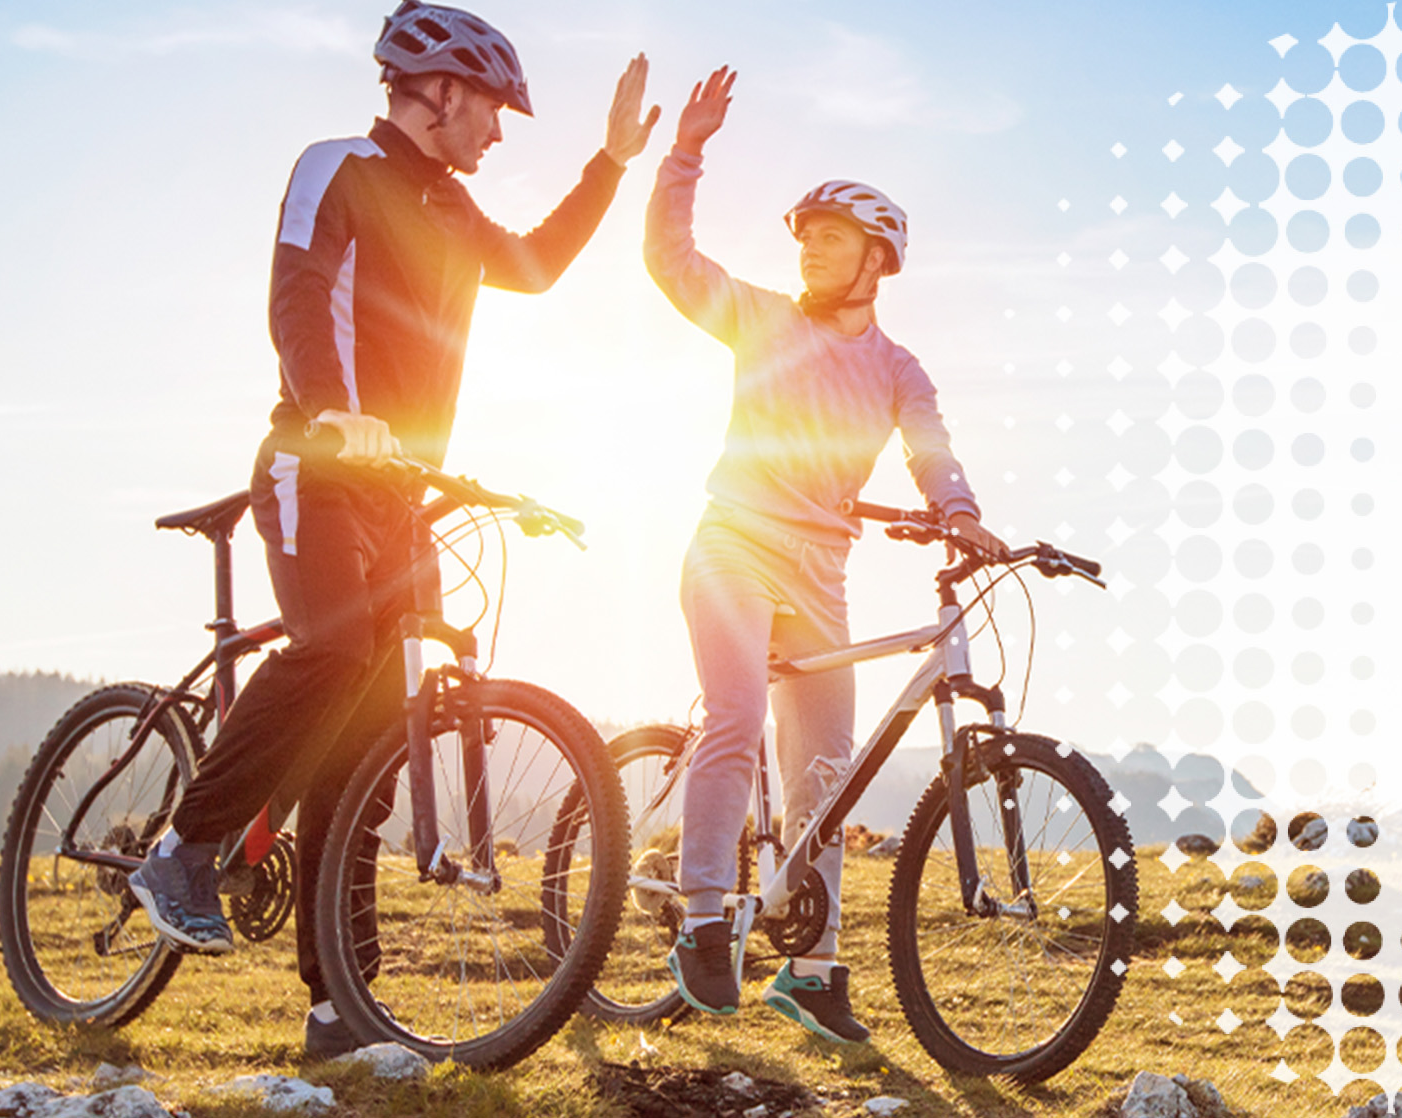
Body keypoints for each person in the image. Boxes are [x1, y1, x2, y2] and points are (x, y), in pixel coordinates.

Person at [126, 1, 660, 1061]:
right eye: (495, 111)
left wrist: (610, 160)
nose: (500, 135)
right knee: (331, 649)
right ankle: (183, 850)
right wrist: (329, 405)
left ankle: (339, 1007)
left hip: (399, 492)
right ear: (444, 92)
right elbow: (298, 291)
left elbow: (541, 266)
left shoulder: (455, 213)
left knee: (368, 748)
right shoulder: (338, 168)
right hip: (313, 466)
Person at [642, 65, 1003, 1039]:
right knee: (737, 712)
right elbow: (672, 261)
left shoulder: (897, 367)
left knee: (826, 773)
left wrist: (959, 508)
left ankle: (810, 965)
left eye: (832, 240)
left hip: (821, 573)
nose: (810, 255)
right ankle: (705, 917)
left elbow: (930, 443)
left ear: (877, 259)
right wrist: (687, 153)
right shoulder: (759, 318)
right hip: (733, 544)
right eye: (804, 239)